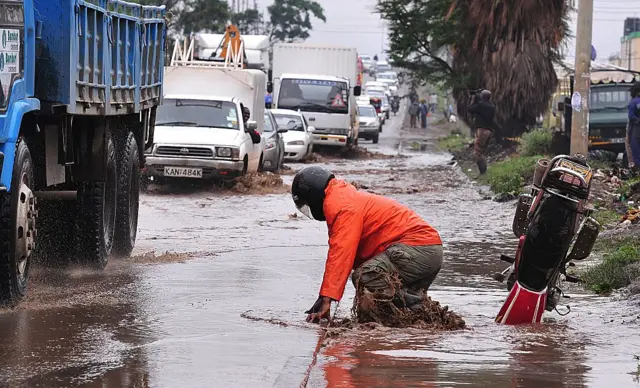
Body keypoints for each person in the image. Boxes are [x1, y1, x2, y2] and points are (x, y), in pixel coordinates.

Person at [292, 166, 443, 323]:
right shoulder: (343, 198)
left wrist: (326, 297)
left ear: (313, 196)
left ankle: (420, 309)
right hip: (427, 252)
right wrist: (325, 296)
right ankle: (415, 326)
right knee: (371, 305)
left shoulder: (342, 206)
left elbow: (341, 253)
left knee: (366, 275)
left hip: (418, 249)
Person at [468, 89, 496, 175]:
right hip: (489, 131)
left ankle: (483, 173)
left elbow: (470, 109)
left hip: (482, 131)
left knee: (477, 153)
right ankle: (484, 172)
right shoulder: (492, 106)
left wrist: (473, 99)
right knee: (482, 152)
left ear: (482, 96)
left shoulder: (480, 105)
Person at [626, 82, 640, 169]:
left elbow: (631, 115)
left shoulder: (634, 102)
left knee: (634, 150)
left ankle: (636, 169)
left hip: (636, 129)